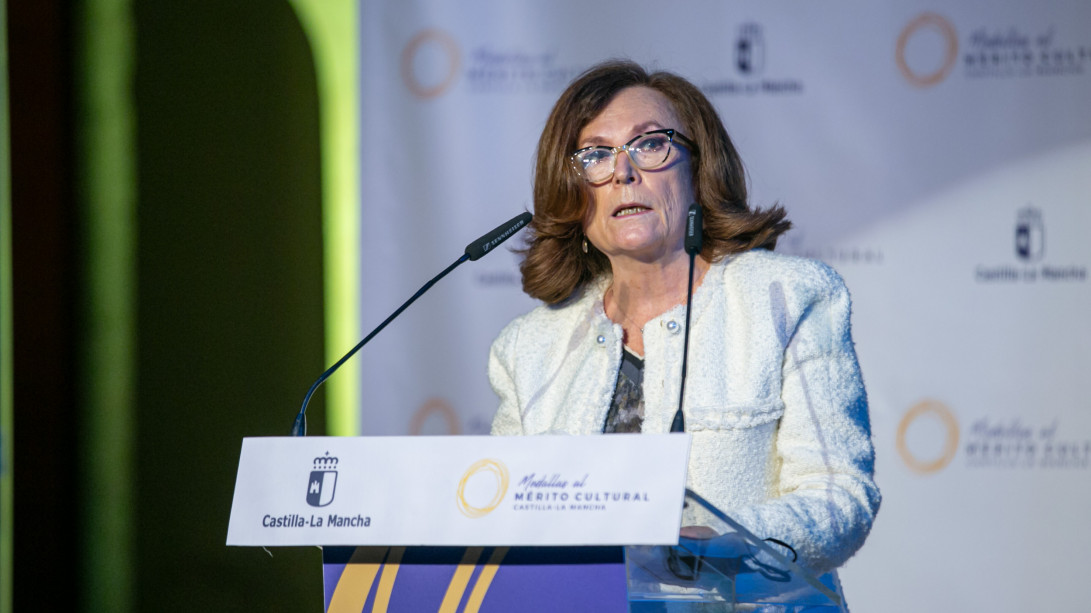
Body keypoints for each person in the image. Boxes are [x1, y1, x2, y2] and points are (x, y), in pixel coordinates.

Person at [488, 60, 879, 577]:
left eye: (650, 144)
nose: (623, 172)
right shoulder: (528, 348)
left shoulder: (786, 300)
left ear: (699, 171)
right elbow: (500, 521)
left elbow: (838, 493)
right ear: (573, 194)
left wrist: (734, 542)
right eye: (596, 155)